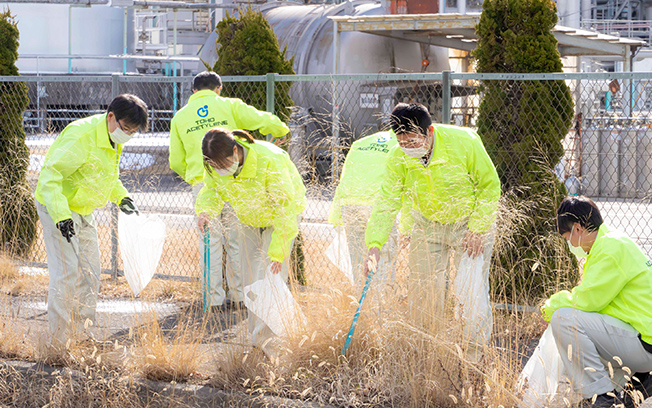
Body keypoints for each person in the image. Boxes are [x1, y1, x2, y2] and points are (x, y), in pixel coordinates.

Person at [363, 103, 501, 360]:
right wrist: (375, 244)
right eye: (402, 142)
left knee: (470, 295)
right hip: (427, 225)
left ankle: (474, 360)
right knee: (422, 294)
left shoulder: (465, 141)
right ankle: (427, 355)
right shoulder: (397, 157)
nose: (408, 148)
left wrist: (478, 228)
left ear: (430, 132)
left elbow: (489, 186)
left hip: (468, 225)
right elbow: (386, 202)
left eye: (413, 141)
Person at [169, 71, 290, 310]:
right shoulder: (228, 105)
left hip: (203, 183)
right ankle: (240, 296)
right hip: (235, 181)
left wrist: (194, 176)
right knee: (238, 241)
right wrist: (281, 129)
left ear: (194, 91)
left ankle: (212, 300)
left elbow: (175, 160)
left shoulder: (179, 117)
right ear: (218, 89)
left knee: (210, 242)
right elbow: (260, 119)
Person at [35, 94, 148, 345]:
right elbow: (50, 176)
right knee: (66, 273)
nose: (128, 135)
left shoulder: (113, 139)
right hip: (57, 206)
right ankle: (60, 341)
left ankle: (82, 335)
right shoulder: (81, 136)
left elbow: (105, 177)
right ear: (111, 117)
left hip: (83, 209)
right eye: (126, 129)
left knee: (90, 272)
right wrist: (62, 218)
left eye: (133, 132)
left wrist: (122, 198)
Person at [195, 127, 306, 355]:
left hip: (279, 219)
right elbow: (212, 190)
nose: (219, 170)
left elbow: (285, 210)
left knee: (270, 278)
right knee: (250, 280)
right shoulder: (214, 166)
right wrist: (206, 211)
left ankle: (272, 343)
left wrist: (277, 252)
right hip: (248, 218)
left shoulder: (269, 159)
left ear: (236, 151)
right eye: (214, 167)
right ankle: (258, 339)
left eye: (223, 165)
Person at [540, 196, 652, 408]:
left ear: (577, 229)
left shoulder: (610, 249)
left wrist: (551, 305)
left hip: (645, 343)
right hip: (644, 336)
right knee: (584, 332)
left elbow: (587, 300)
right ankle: (632, 383)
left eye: (566, 238)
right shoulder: (611, 242)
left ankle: (602, 397)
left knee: (564, 320)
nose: (568, 244)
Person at [328, 129, 412, 287]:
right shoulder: (404, 144)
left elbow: (345, 176)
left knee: (360, 266)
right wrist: (406, 229)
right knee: (383, 267)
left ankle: (362, 305)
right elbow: (407, 186)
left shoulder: (361, 143)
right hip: (379, 206)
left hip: (350, 203)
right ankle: (379, 309)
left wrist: (336, 215)